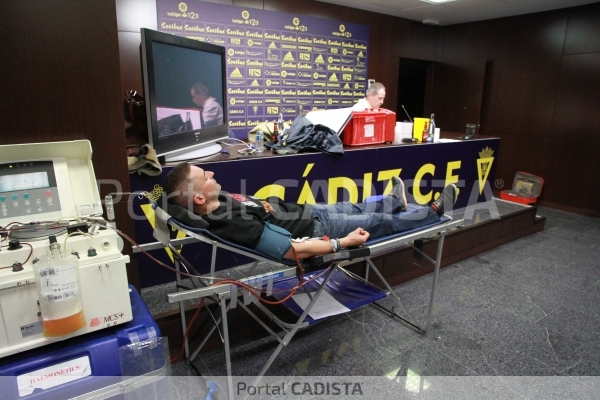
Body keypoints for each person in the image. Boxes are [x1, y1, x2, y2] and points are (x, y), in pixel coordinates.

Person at [162, 162, 457, 261]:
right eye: (206, 176)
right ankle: (433, 213)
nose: (212, 173)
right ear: (199, 197)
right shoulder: (230, 223)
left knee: (354, 205)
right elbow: (293, 251)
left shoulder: (215, 199)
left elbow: (163, 196)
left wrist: (159, 199)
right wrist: (343, 243)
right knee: (378, 223)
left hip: (307, 212)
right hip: (316, 232)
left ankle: (394, 201)